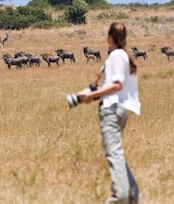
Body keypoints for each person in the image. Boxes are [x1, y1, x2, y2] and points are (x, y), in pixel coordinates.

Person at [79, 22, 141, 204]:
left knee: (113, 154)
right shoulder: (124, 56)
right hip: (121, 111)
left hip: (111, 111)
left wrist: (91, 95)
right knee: (117, 153)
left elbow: (116, 85)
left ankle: (119, 198)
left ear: (109, 37)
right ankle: (134, 197)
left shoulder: (115, 56)